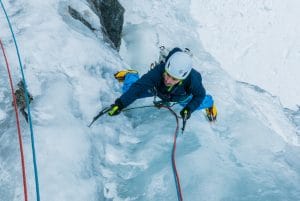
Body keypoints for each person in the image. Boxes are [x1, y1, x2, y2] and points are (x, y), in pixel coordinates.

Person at [108, 47, 217, 121]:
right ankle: (131, 75)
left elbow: (200, 95)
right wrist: (120, 104)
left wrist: (189, 109)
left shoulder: (193, 80)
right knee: (129, 91)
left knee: (203, 102)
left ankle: (210, 104)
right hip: (157, 90)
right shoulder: (158, 71)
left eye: (174, 79)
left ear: (182, 78)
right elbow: (138, 88)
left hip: (181, 97)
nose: (168, 81)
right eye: (167, 74)